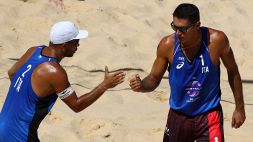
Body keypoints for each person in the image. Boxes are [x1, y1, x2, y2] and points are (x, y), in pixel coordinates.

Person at [129, 3, 245, 142]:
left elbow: (233, 70)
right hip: (178, 116)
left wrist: (239, 108)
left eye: (182, 29)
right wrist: (142, 85)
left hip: (209, 115)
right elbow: (154, 78)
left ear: (197, 25)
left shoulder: (217, 41)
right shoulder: (168, 45)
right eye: (174, 27)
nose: (177, 33)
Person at [0, 21, 125, 142]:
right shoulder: (54, 72)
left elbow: (12, 73)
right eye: (76, 42)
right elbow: (77, 105)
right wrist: (105, 85)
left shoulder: (34, 50)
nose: (78, 46)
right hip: (19, 135)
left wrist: (25, 96)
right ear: (65, 46)